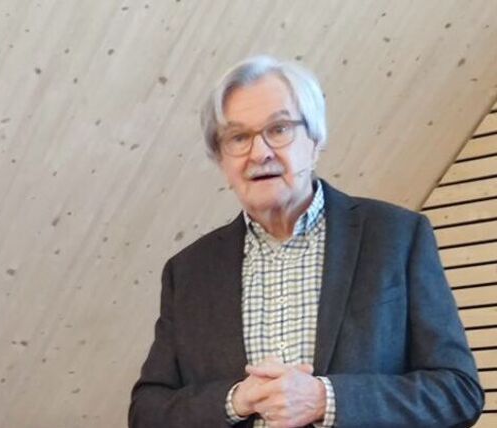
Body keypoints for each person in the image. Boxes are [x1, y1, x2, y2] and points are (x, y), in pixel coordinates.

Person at [128, 55, 484, 428]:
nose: (259, 152)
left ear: (315, 141)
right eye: (238, 138)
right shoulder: (188, 272)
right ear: (221, 161)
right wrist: (235, 400)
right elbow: (146, 413)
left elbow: (458, 393)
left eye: (279, 129)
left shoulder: (397, 237)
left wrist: (324, 399)